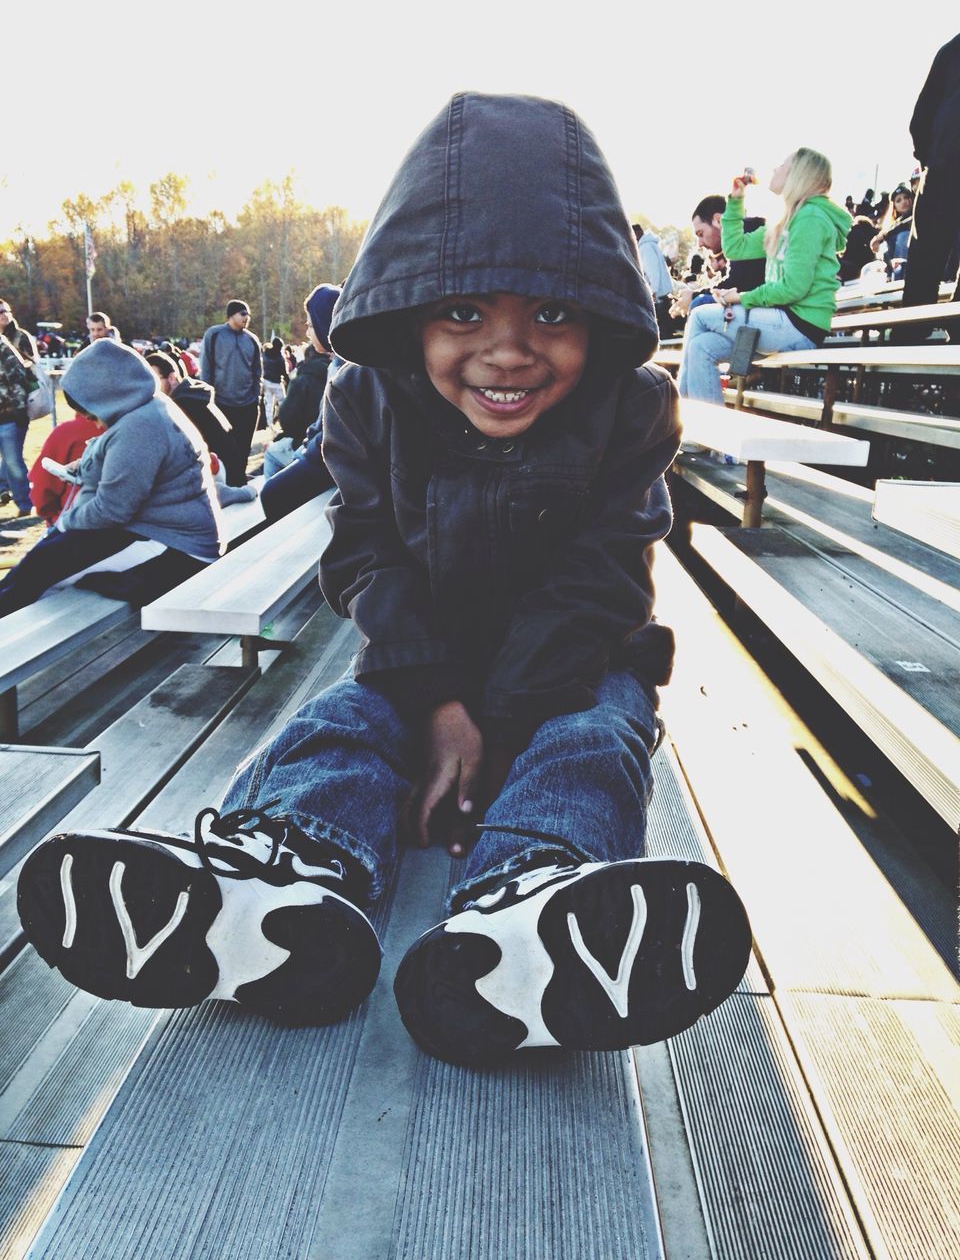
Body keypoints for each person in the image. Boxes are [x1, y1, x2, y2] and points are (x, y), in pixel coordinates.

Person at [16, 93, 751, 1069]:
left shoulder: (634, 407)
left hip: (574, 654)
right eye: (461, 310)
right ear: (408, 312)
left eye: (554, 311)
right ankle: (283, 879)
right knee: (342, 723)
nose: (507, 347)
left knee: (592, 738)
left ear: (603, 314)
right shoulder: (366, 397)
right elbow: (366, 549)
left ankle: (532, 895)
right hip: (423, 651)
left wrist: (497, 721)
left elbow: (601, 575)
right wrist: (444, 702)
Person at [0, 340, 222, 616]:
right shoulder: (153, 407)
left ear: (109, 395)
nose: (94, 422)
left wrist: (65, 522)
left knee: (44, 567)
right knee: (47, 557)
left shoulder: (140, 426)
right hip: (174, 536)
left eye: (92, 413)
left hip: (177, 548)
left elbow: (111, 510)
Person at [678, 149, 851, 404]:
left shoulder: (810, 217)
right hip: (779, 321)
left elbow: (794, 288)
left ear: (798, 175)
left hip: (800, 324)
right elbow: (735, 247)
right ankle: (707, 436)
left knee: (699, 315)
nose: (774, 169)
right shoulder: (782, 221)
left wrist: (740, 297)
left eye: (782, 165)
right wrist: (736, 201)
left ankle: (674, 415)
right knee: (701, 347)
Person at [893, 32, 960, 343]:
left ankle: (905, 355)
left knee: (923, 271)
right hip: (943, 166)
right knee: (925, 265)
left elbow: (919, 119)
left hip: (943, 169)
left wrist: (930, 156)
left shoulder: (952, 49)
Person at [261, 284, 340, 483]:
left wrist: (301, 455)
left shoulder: (341, 370)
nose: (307, 333)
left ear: (325, 325)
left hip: (330, 462)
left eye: (311, 326)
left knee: (271, 492)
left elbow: (328, 433)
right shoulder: (335, 365)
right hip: (322, 453)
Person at [145, 351, 246, 488]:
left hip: (222, 482)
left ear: (173, 378)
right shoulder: (194, 396)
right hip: (231, 474)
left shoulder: (183, 406)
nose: (151, 388)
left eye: (155, 381)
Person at [670, 194, 766, 319]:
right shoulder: (748, 229)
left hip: (772, 308)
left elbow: (735, 285)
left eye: (701, 234)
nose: (700, 243)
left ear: (718, 221)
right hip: (764, 305)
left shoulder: (747, 231)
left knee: (700, 304)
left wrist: (694, 295)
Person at [199, 301, 263, 475]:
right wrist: (207, 401)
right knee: (221, 451)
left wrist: (256, 398)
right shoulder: (214, 335)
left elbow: (257, 371)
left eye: (248, 314)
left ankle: (240, 481)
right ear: (231, 315)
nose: (246, 318)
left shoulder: (252, 339)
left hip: (247, 406)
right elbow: (206, 368)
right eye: (243, 314)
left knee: (243, 451)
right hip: (220, 404)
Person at [28, 407, 105, 525]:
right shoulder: (132, 429)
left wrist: (51, 516)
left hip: (75, 520)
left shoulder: (67, 431)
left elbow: (42, 484)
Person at [0, 331, 33, 516]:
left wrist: (19, 410)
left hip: (9, 415)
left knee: (13, 462)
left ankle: (25, 504)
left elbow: (18, 377)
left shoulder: (3, 348)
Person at [871, 184, 914, 280]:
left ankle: (901, 276)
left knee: (904, 236)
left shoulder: (916, 213)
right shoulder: (893, 225)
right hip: (892, 266)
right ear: (894, 206)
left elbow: (908, 222)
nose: (903, 201)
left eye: (906, 197)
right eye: (898, 200)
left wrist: (882, 236)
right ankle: (889, 274)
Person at [261, 337, 288, 426]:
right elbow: (283, 372)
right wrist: (289, 381)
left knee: (268, 404)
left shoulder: (265, 354)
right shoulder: (280, 358)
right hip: (277, 383)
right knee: (283, 403)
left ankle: (269, 423)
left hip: (266, 381)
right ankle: (284, 421)